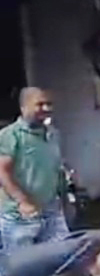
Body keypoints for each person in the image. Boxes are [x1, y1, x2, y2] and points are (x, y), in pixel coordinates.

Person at [0, 88, 68, 250]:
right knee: (23, 267)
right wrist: (22, 201)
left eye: (48, 104)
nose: (46, 108)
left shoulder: (52, 134)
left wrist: (64, 196)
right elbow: (2, 171)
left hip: (51, 211)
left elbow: (56, 167)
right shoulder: (11, 135)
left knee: (60, 260)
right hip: (20, 216)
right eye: (39, 104)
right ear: (24, 107)